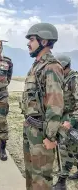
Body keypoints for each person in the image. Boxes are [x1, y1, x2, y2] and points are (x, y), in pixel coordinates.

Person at [21, 23, 64, 190]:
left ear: (44, 41)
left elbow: (55, 104)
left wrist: (50, 137)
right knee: (31, 175)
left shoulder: (52, 67)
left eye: (32, 39)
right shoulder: (36, 66)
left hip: (42, 135)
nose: (28, 43)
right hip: (30, 128)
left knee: (41, 181)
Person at [53, 55, 78, 190]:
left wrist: (71, 121)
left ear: (65, 66)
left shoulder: (74, 80)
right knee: (75, 147)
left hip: (72, 119)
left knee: (65, 148)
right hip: (66, 117)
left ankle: (62, 182)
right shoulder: (64, 78)